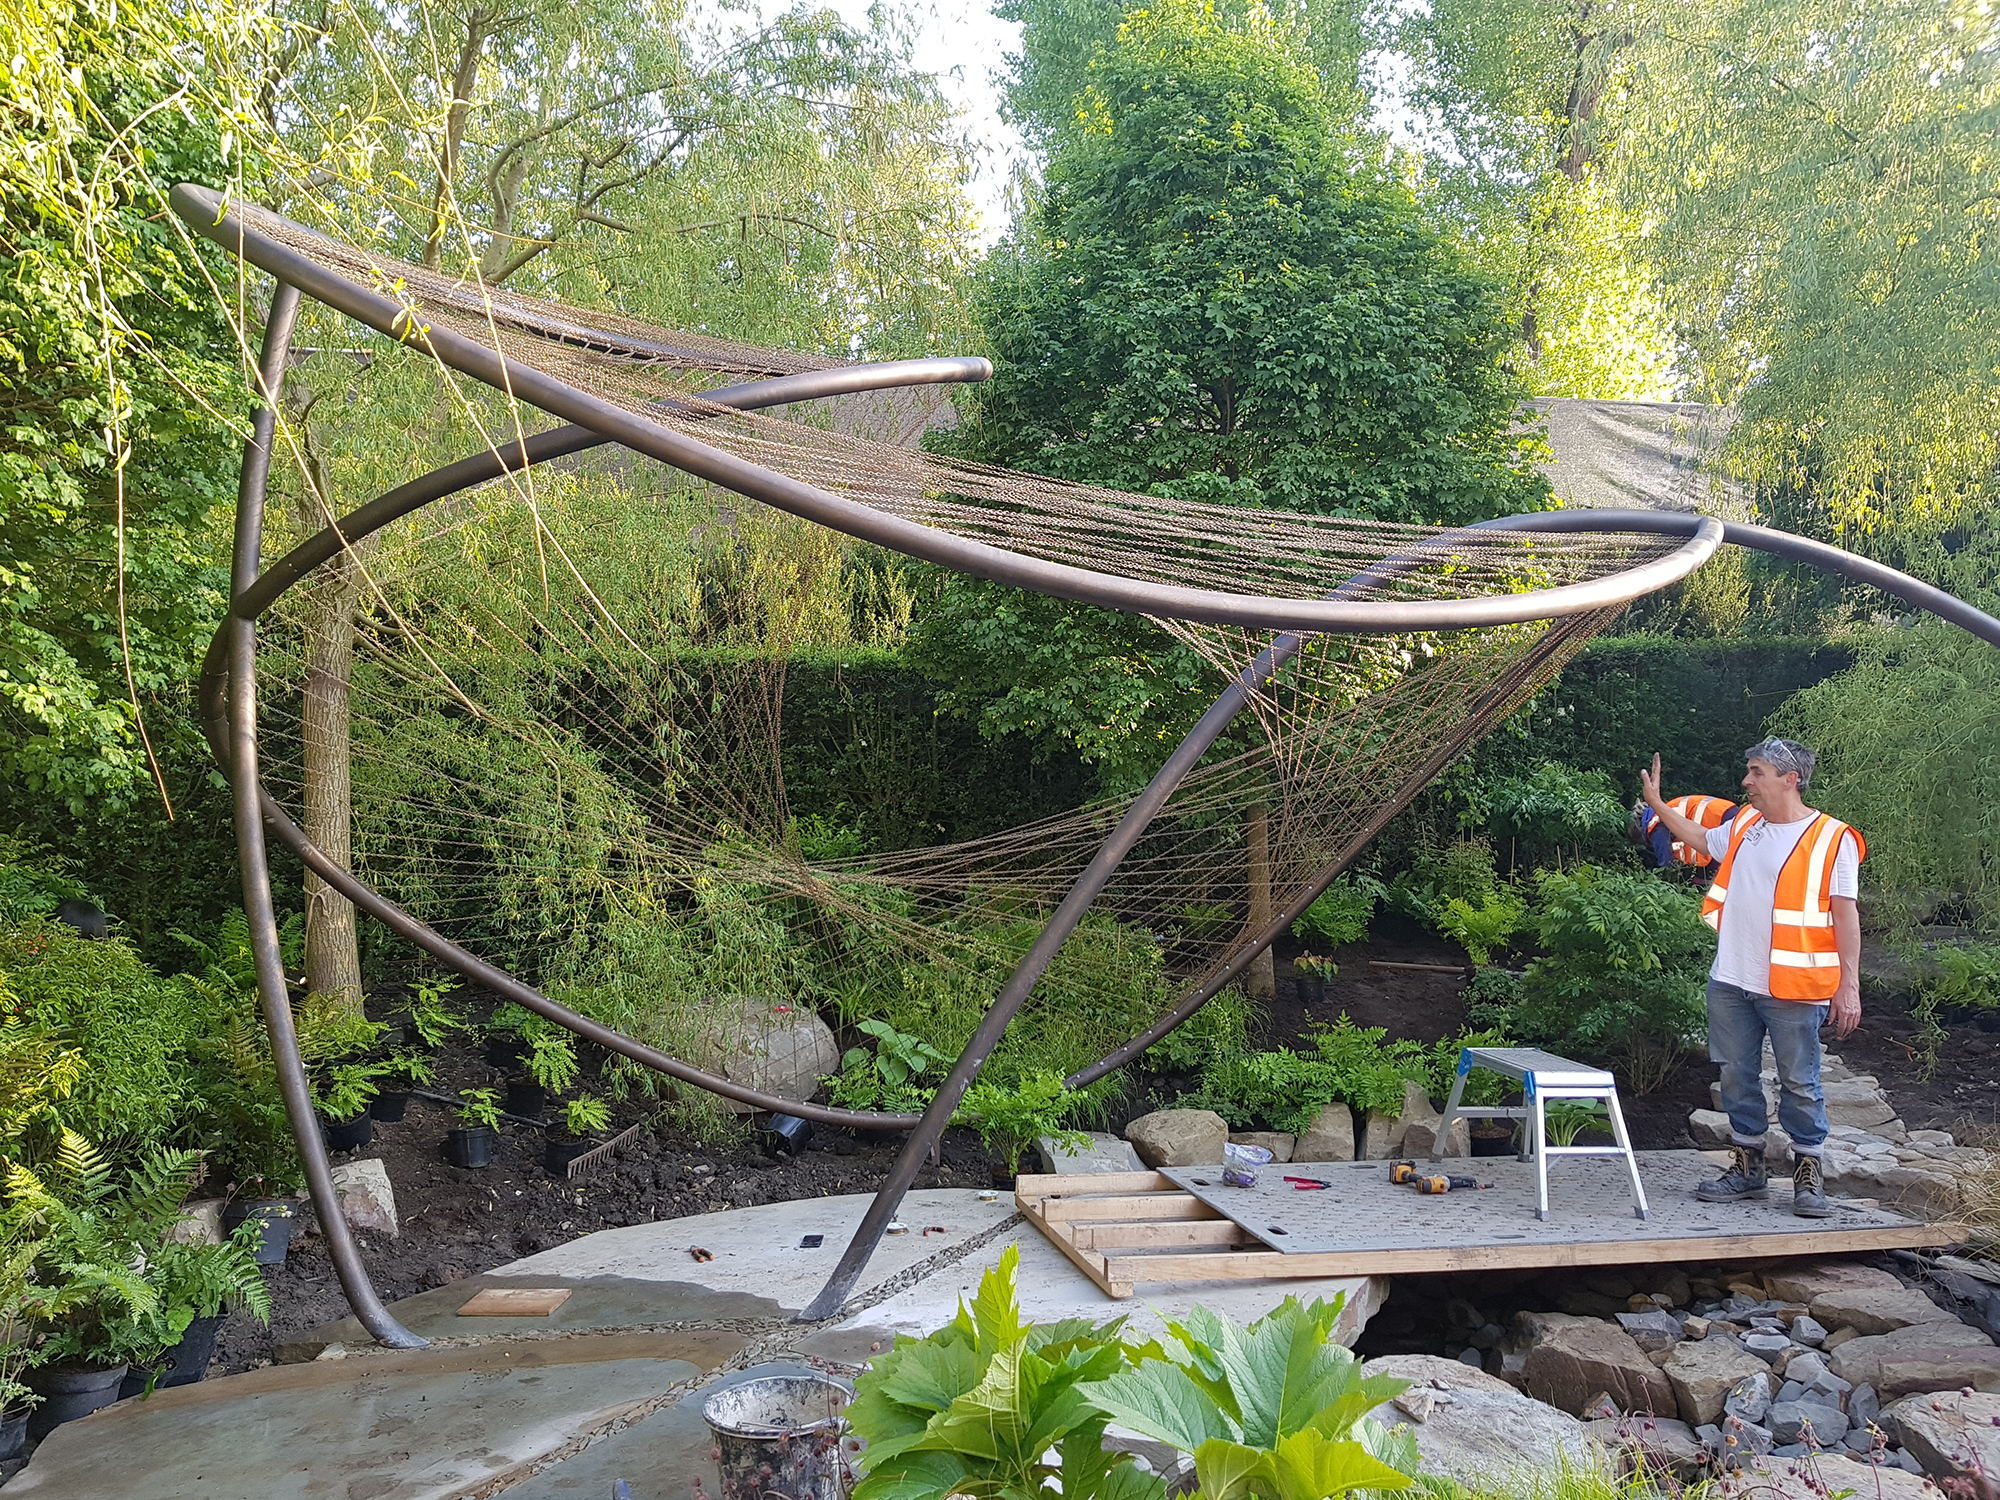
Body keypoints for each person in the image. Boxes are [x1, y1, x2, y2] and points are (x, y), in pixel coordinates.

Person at [1639, 737, 1865, 1218]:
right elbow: (1701, 841)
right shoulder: (1745, 822)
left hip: (1794, 987)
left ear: (1791, 779)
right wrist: (1658, 806)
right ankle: (1748, 1169)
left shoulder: (1832, 838)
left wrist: (1850, 985)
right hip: (1731, 980)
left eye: (1756, 772)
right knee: (1736, 1075)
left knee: (1799, 1083)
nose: (1746, 782)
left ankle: (1808, 1174)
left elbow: (1846, 916)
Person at [1632, 792, 1738, 869]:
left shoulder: (1655, 824)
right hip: (1725, 810)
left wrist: (1665, 879)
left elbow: (1666, 862)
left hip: (1716, 819)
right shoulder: (1667, 809)